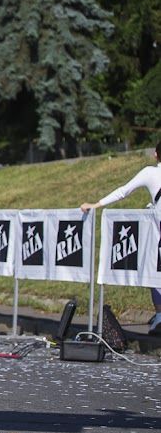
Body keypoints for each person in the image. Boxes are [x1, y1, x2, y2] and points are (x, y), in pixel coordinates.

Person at [80, 140, 161, 336]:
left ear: (156, 155)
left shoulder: (151, 172)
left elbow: (124, 191)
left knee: (154, 269)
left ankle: (159, 316)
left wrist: (96, 204)